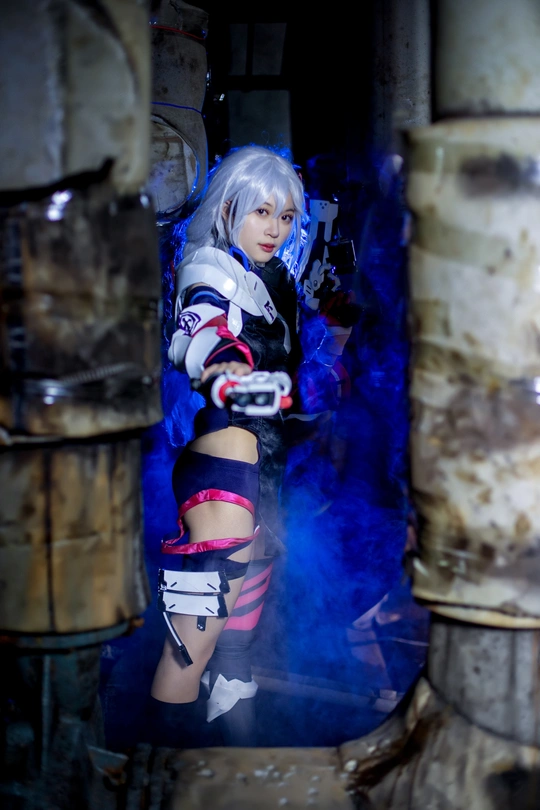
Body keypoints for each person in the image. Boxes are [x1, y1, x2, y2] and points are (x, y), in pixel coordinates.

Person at [145, 144, 308, 748]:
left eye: (285, 216)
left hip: (263, 473)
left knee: (234, 661)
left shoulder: (271, 280)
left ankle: (230, 778)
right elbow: (202, 329)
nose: (275, 228)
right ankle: (161, 777)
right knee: (188, 652)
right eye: (261, 211)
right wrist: (223, 361)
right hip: (225, 469)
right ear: (228, 208)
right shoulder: (210, 266)